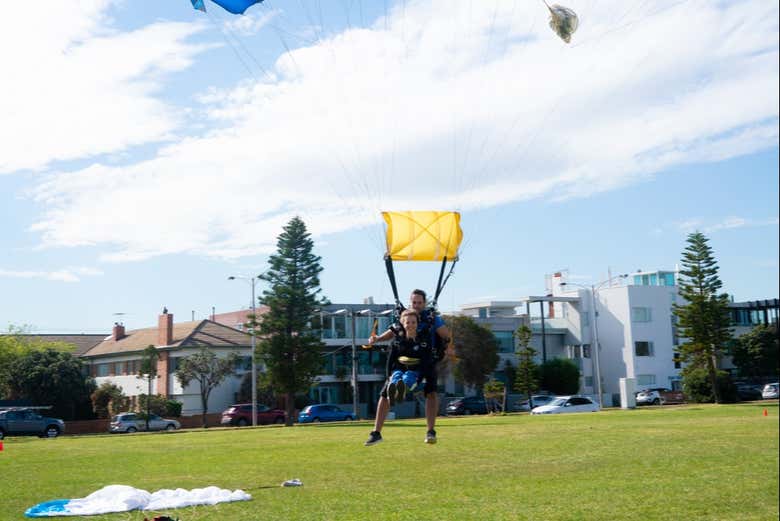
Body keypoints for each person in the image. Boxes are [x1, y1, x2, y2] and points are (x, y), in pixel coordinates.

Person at [364, 289, 451, 446]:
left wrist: (446, 347)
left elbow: (446, 336)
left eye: (419, 302)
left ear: (424, 303)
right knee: (385, 394)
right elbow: (392, 333)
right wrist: (377, 339)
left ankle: (430, 432)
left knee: (431, 393)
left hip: (426, 361)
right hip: (402, 362)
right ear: (410, 302)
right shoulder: (403, 318)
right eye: (414, 302)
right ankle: (376, 433)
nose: (416, 305)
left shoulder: (433, 319)